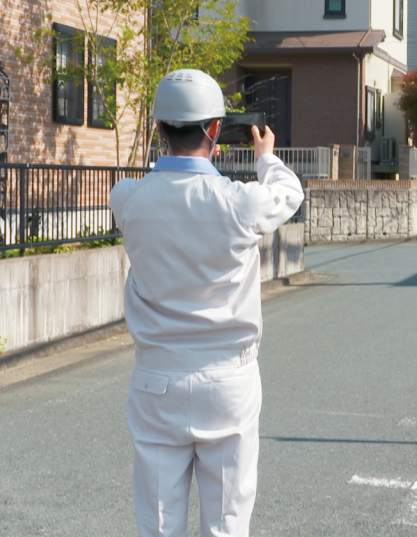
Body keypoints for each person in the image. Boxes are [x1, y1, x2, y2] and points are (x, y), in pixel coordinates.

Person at [109, 68, 303, 537]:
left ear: (159, 128)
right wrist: (266, 158)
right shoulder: (239, 203)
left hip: (156, 378)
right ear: (215, 130)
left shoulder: (127, 199)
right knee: (226, 525)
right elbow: (289, 193)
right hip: (228, 380)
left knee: (157, 525)